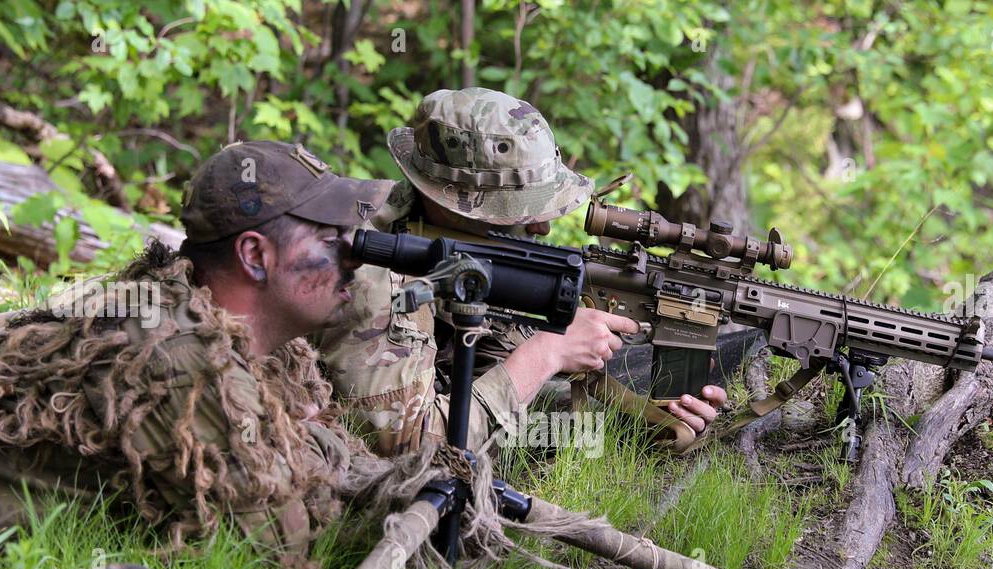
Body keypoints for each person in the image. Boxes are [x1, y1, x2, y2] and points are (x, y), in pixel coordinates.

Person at [0, 141, 395, 569]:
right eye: (331, 241)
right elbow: (276, 541)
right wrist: (311, 449)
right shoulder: (177, 350)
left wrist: (301, 447)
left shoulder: (234, 336)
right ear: (254, 256)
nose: (353, 258)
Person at [310, 87, 727, 455]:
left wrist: (653, 421)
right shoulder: (372, 271)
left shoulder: (442, 236)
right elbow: (411, 445)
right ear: (451, 201)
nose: (540, 227)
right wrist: (546, 353)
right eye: (518, 211)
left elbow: (492, 384)